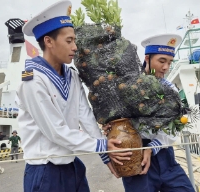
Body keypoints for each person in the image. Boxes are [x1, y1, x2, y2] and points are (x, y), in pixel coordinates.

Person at [17, 1, 130, 191]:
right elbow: (55, 131)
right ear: (49, 42)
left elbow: (84, 115)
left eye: (74, 41)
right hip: (45, 171)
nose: (75, 47)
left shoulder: (71, 76)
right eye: (69, 41)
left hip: (72, 166)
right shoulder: (33, 81)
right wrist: (101, 145)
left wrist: (105, 155)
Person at [105, 34, 195, 192]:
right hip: (136, 154)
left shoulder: (170, 89)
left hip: (164, 153)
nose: (166, 67)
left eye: (169, 62)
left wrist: (153, 147)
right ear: (147, 58)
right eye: (161, 61)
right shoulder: (128, 87)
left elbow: (175, 125)